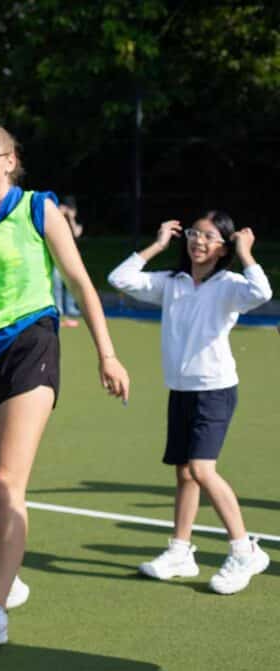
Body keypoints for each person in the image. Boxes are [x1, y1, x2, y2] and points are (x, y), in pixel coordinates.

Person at [0, 124, 130, 646]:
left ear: (11, 161)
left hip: (31, 342)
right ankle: (3, 580)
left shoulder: (38, 209)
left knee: (9, 481)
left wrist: (107, 353)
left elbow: (79, 281)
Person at [108, 213, 272, 594]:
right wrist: (157, 244)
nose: (198, 241)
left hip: (214, 389)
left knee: (201, 469)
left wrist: (246, 254)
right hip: (180, 390)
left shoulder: (231, 285)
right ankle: (180, 552)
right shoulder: (172, 282)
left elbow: (262, 293)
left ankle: (244, 549)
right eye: (195, 234)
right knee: (184, 473)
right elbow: (120, 279)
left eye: (210, 237)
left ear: (223, 246)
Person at [52, 195, 83, 327]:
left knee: (71, 286)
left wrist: (70, 217)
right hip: (57, 257)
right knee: (56, 285)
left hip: (72, 260)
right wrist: (59, 213)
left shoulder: (76, 223)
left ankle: (71, 311)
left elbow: (76, 233)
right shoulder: (58, 220)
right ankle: (58, 312)